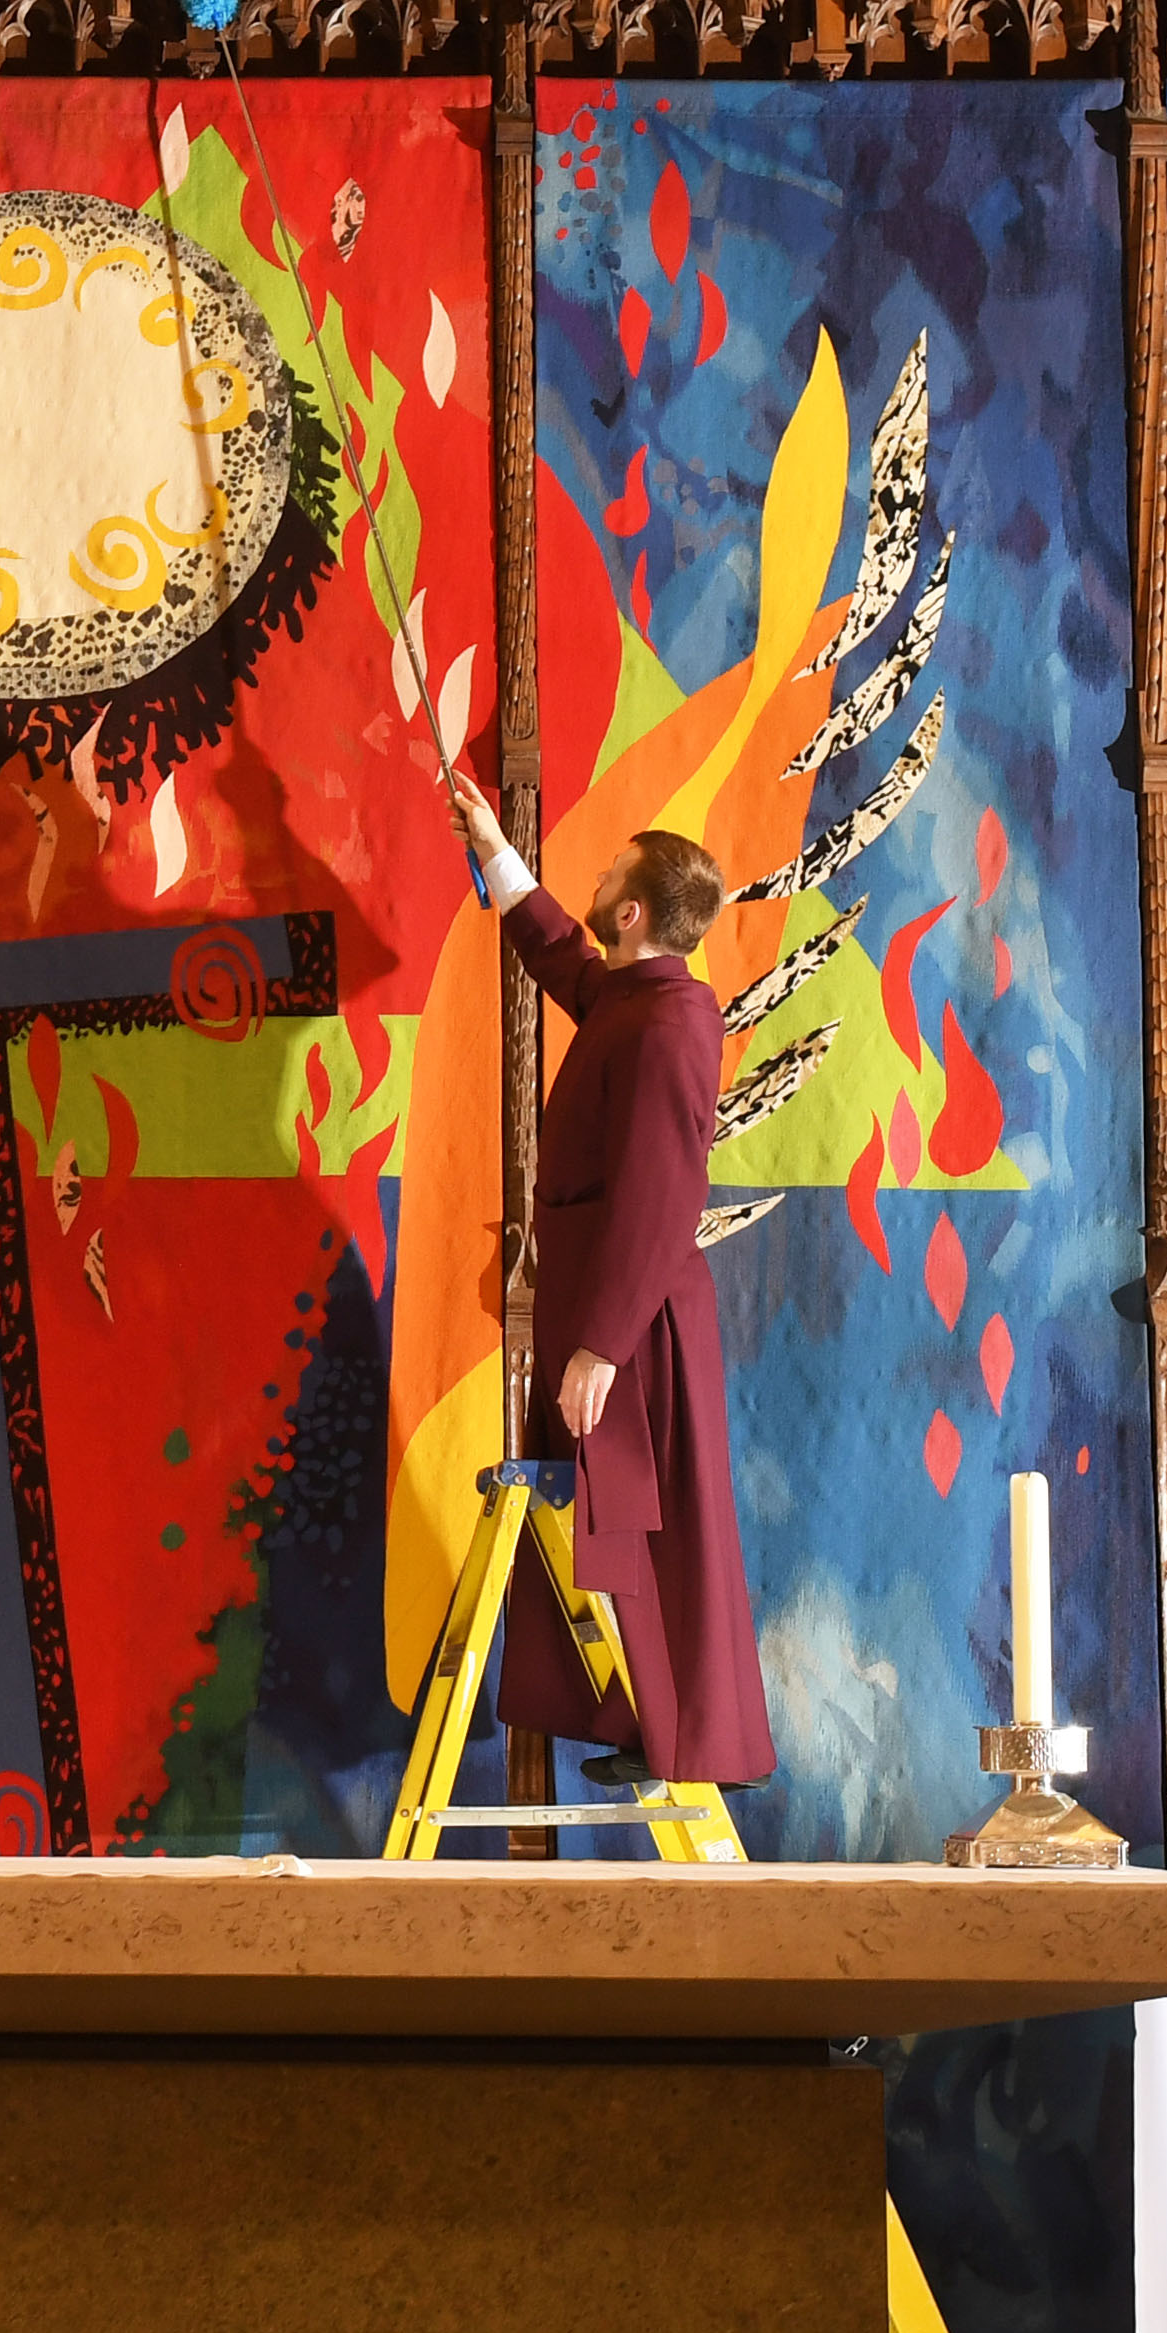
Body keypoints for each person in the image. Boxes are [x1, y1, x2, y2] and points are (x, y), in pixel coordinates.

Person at [437, 764, 771, 1789]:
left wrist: (602, 1347)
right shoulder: (635, 997)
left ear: (632, 912)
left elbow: (663, 1198)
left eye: (611, 874)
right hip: (606, 1314)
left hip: (636, 1326)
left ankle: (686, 1738)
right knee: (615, 1529)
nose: (594, 881)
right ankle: (651, 1723)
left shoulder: (669, 1024)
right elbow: (560, 956)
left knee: (645, 1527)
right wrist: (494, 846)